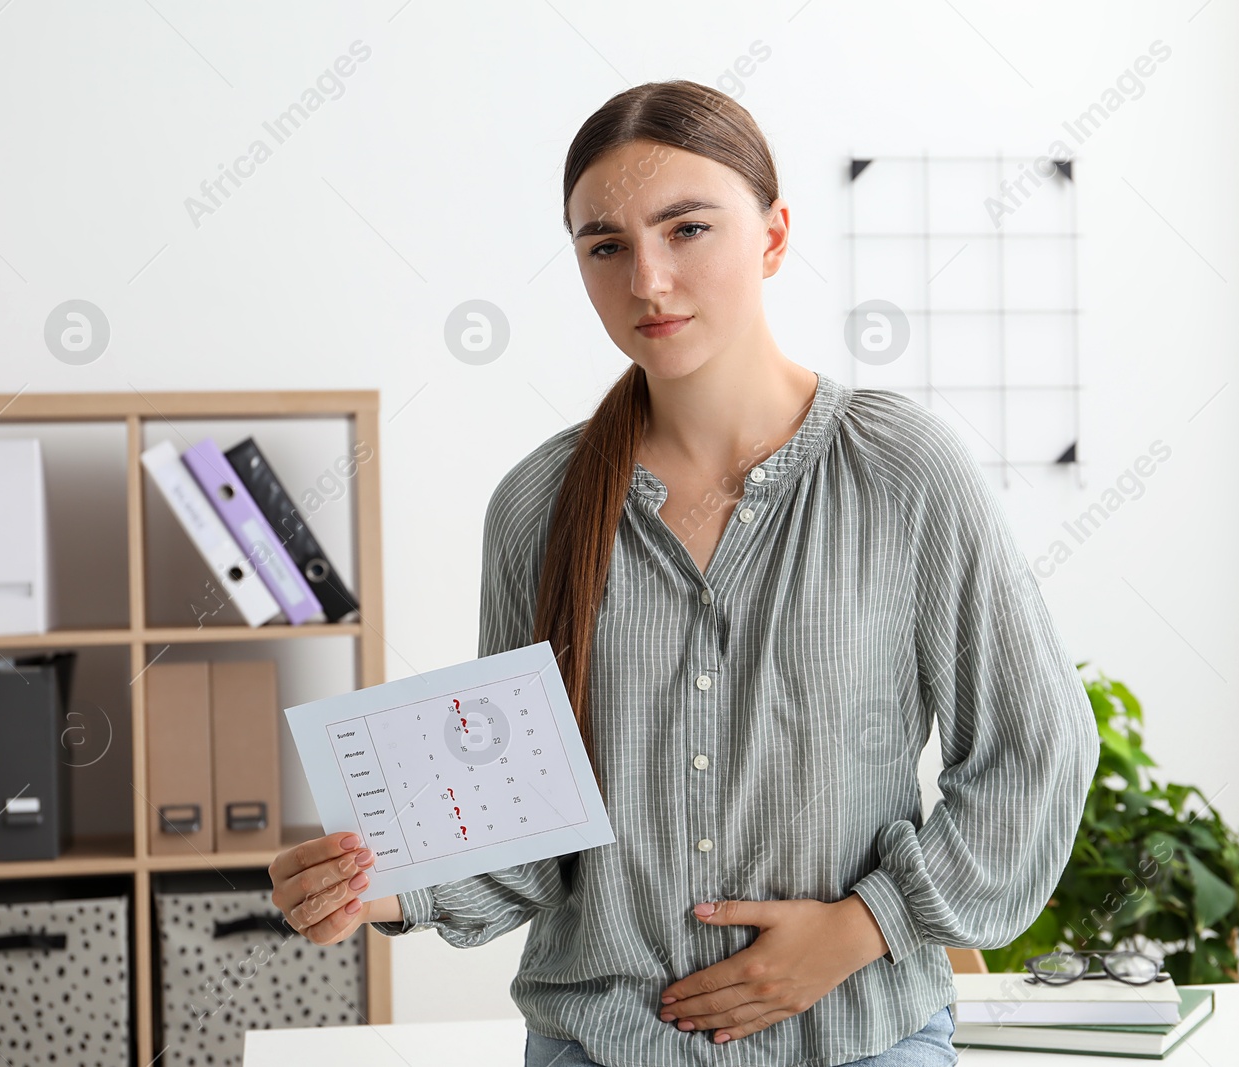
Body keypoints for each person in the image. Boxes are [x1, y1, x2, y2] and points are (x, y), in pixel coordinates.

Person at [270, 79, 1100, 1067]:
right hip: (601, 1040)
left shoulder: (902, 470)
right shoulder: (536, 506)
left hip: (857, 1035)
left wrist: (858, 928)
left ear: (774, 235)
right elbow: (530, 826)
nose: (648, 280)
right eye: (606, 245)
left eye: (688, 228)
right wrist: (384, 885)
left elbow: (1033, 746)